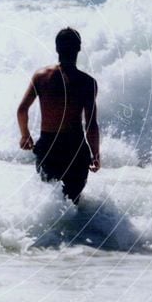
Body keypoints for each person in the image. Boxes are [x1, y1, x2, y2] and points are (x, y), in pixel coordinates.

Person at [17, 27, 100, 203]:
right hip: (75, 148)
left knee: (49, 203)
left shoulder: (40, 77)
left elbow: (22, 110)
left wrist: (25, 135)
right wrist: (95, 154)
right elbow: (91, 124)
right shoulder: (87, 83)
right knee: (71, 204)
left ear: (57, 48)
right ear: (78, 49)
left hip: (48, 146)